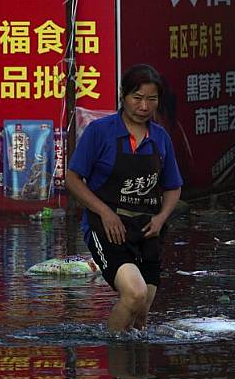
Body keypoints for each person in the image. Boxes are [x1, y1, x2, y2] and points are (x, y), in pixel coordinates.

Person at [66, 64, 183, 334]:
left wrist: (161, 218)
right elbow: (73, 179)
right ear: (123, 96)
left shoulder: (161, 138)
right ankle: (115, 359)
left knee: (141, 314)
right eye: (137, 97)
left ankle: (135, 373)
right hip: (107, 228)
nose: (144, 106)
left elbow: (173, 187)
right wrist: (105, 214)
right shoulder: (100, 132)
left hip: (147, 230)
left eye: (151, 99)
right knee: (134, 294)